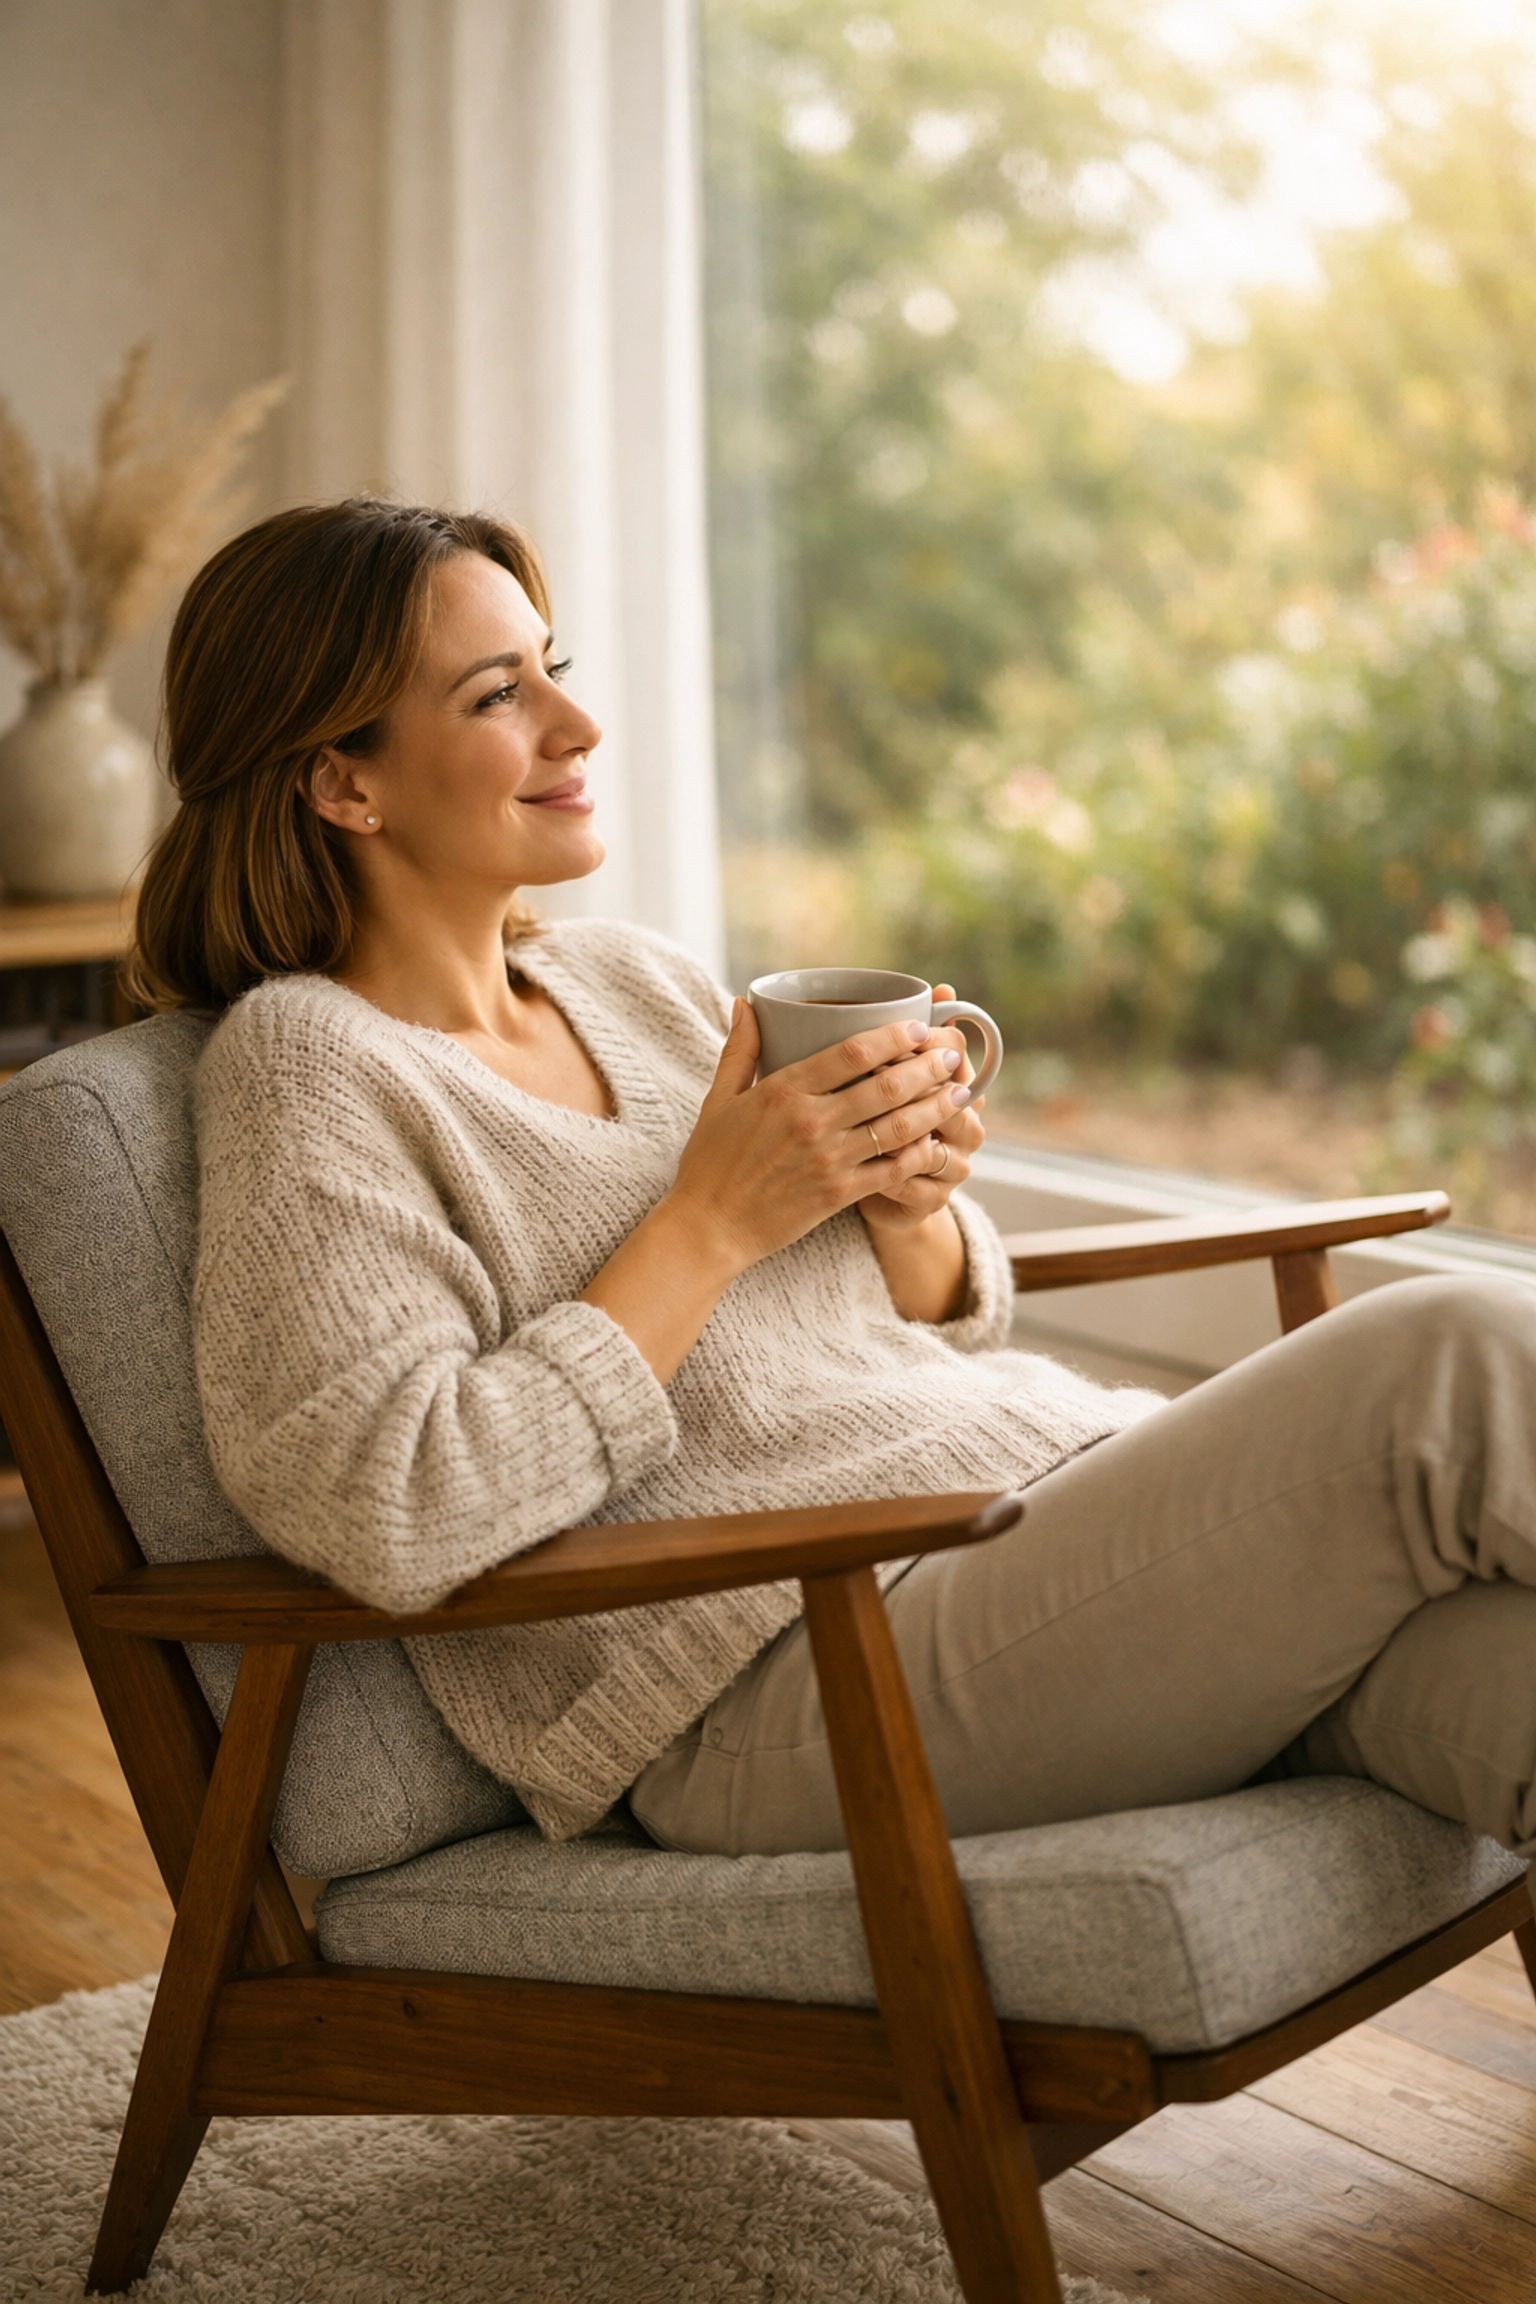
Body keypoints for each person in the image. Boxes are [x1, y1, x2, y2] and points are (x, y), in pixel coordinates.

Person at [133, 497, 1536, 1864]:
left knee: (1501, 1671)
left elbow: (919, 1323)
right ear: (343, 781)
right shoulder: (309, 1067)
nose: (578, 726)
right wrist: (706, 1223)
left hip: (1025, 1518)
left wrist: (902, 1208)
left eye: (554, 672)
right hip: (774, 1680)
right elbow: (395, 1505)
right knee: (1451, 1357)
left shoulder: (634, 981)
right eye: (500, 695)